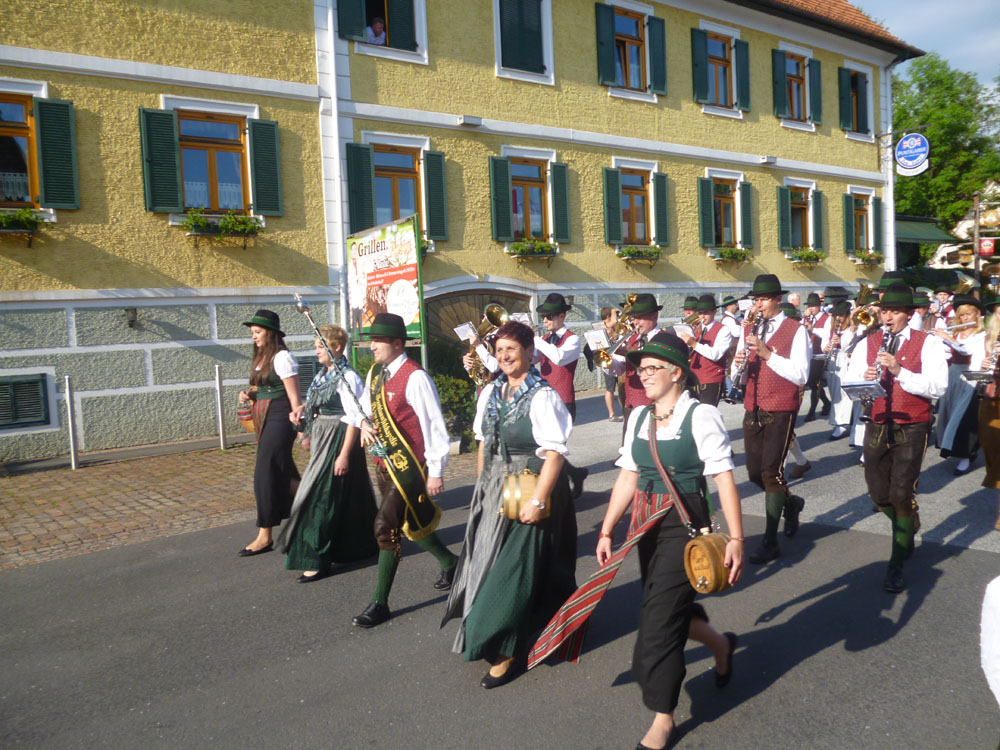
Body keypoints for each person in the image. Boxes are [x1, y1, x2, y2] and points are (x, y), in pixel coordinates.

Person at [597, 333, 744, 750]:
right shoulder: (639, 417)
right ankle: (719, 643)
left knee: (658, 621)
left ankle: (663, 717)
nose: (642, 376)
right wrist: (608, 529)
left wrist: (736, 538)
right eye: (640, 369)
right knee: (663, 604)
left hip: (685, 521)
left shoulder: (701, 416)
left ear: (676, 373)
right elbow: (628, 475)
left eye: (651, 368)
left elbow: (723, 478)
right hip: (646, 521)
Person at [442, 321, 578, 689]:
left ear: (530, 352)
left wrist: (537, 500)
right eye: (499, 350)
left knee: (513, 569)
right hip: (496, 484)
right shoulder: (492, 391)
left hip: (530, 485)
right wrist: (482, 484)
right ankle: (536, 625)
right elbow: (483, 442)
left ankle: (506, 651)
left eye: (511, 350)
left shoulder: (543, 396)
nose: (504, 356)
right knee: (486, 559)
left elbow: (554, 455)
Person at [352, 313, 458, 628]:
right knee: (410, 522)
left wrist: (436, 470)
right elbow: (363, 409)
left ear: (397, 344)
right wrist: (362, 423)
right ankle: (451, 562)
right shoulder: (376, 373)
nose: (372, 346)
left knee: (385, 527)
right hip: (384, 464)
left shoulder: (415, 377)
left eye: (378, 341)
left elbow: (434, 424)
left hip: (410, 467)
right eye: (372, 340)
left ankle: (380, 603)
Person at [846, 282, 948, 593]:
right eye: (885, 311)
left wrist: (900, 370)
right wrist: (862, 379)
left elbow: (938, 387)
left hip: (912, 425)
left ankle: (895, 564)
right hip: (877, 423)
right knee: (879, 495)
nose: (888, 317)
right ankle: (908, 523)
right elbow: (849, 384)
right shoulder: (868, 342)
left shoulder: (928, 343)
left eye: (895, 312)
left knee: (901, 494)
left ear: (908, 314)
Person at [278, 325, 378, 581]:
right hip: (324, 437)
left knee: (319, 497)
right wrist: (302, 410)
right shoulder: (324, 374)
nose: (317, 351)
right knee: (348, 495)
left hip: (339, 438)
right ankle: (359, 546)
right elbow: (319, 402)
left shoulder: (348, 376)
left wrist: (343, 455)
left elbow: (355, 418)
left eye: (321, 347)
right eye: (316, 346)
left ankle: (316, 559)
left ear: (337, 347)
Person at [732, 275, 811, 564]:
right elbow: (737, 372)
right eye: (756, 299)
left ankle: (770, 541)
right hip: (753, 405)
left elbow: (801, 375)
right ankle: (791, 502)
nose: (758, 304)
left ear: (778, 299)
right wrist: (737, 366)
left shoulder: (796, 330)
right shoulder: (749, 327)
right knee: (754, 473)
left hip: (781, 407)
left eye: (764, 299)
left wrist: (767, 354)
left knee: (770, 472)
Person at [237, 310, 302, 557]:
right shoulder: (262, 356)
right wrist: (249, 394)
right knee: (280, 473)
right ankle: (320, 500)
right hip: (265, 416)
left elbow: (294, 397)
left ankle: (265, 536)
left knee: (264, 474)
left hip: (281, 416)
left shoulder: (283, 357)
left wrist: (300, 429)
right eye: (252, 332)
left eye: (258, 332)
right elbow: (264, 387)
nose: (253, 336)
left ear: (271, 333)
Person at [533, 293, 589, 498]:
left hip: (564, 401)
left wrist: (535, 340)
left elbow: (559, 358)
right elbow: (531, 360)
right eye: (543, 317)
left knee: (555, 451)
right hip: (543, 400)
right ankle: (575, 474)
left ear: (562, 316)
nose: (545, 320)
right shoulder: (544, 340)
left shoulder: (573, 339)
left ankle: (557, 494)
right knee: (545, 449)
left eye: (549, 316)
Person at [932, 295, 987, 475]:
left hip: (970, 376)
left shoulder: (981, 334)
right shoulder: (957, 332)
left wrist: (948, 337)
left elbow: (967, 350)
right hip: (953, 374)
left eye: (968, 314)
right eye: (962, 315)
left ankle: (965, 456)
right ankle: (953, 448)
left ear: (977, 314)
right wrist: (936, 339)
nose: (965, 318)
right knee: (948, 413)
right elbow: (948, 351)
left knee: (962, 416)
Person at [611, 293, 664, 433]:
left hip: (654, 406)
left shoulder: (663, 339)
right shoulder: (632, 338)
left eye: (641, 318)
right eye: (635, 318)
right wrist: (609, 361)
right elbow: (621, 369)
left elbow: (657, 370)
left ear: (655, 316)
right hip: (631, 405)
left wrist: (631, 352)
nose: (636, 322)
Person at [679, 293, 731, 406]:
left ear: (714, 312)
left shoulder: (723, 330)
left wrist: (694, 344)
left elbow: (716, 354)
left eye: (706, 313)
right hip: (693, 379)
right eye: (700, 313)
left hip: (712, 380)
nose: (702, 316)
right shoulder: (694, 329)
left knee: (706, 414)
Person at [977, 292, 1000, 529]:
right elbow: (971, 370)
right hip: (990, 398)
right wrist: (983, 367)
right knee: (992, 451)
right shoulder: (986, 338)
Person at [823, 299, 854, 440]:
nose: (838, 318)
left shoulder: (852, 326)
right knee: (834, 391)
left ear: (847, 315)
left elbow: (851, 343)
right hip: (833, 358)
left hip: (846, 358)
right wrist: (825, 347)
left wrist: (840, 342)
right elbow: (824, 341)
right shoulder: (829, 324)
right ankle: (839, 420)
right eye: (836, 315)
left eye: (841, 315)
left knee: (842, 391)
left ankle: (842, 423)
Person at [802, 292, 831, 422]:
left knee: (815, 381)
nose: (811, 308)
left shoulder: (827, 318)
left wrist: (812, 329)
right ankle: (827, 403)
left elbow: (827, 334)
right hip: (809, 354)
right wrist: (805, 319)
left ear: (819, 306)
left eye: (813, 306)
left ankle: (812, 411)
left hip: (821, 354)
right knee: (812, 383)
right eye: (809, 306)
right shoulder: (807, 318)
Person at [600, 306, 623, 421]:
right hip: (610, 360)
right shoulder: (605, 326)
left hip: (617, 360)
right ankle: (612, 414)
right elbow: (614, 321)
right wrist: (615, 310)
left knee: (617, 389)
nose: (617, 317)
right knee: (612, 389)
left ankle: (616, 413)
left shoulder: (612, 326)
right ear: (609, 316)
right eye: (614, 315)